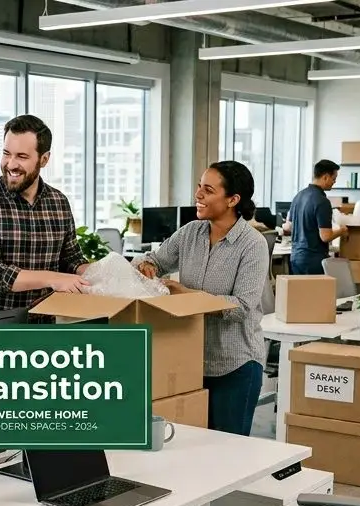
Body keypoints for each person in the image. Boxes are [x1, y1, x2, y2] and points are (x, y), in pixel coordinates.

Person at [136, 161, 270, 435]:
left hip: (236, 365)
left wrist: (187, 296)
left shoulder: (252, 245)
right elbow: (155, 260)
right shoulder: (190, 233)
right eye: (199, 186)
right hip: (191, 362)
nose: (198, 195)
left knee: (227, 452)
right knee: (193, 450)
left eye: (208, 190)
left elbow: (241, 306)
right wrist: (147, 266)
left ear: (233, 200)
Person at [0, 114, 90, 315]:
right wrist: (52, 278)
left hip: (40, 326)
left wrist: (103, 274)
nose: (11, 164)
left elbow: (70, 260)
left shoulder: (59, 202)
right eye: (6, 153)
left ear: (44, 159)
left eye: (22, 156)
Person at [283, 159, 346, 275]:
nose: (334, 182)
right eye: (334, 178)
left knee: (299, 293)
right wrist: (342, 230)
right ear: (325, 177)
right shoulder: (322, 201)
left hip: (295, 258)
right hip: (313, 261)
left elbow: (288, 227)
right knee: (315, 293)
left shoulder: (298, 196)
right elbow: (325, 236)